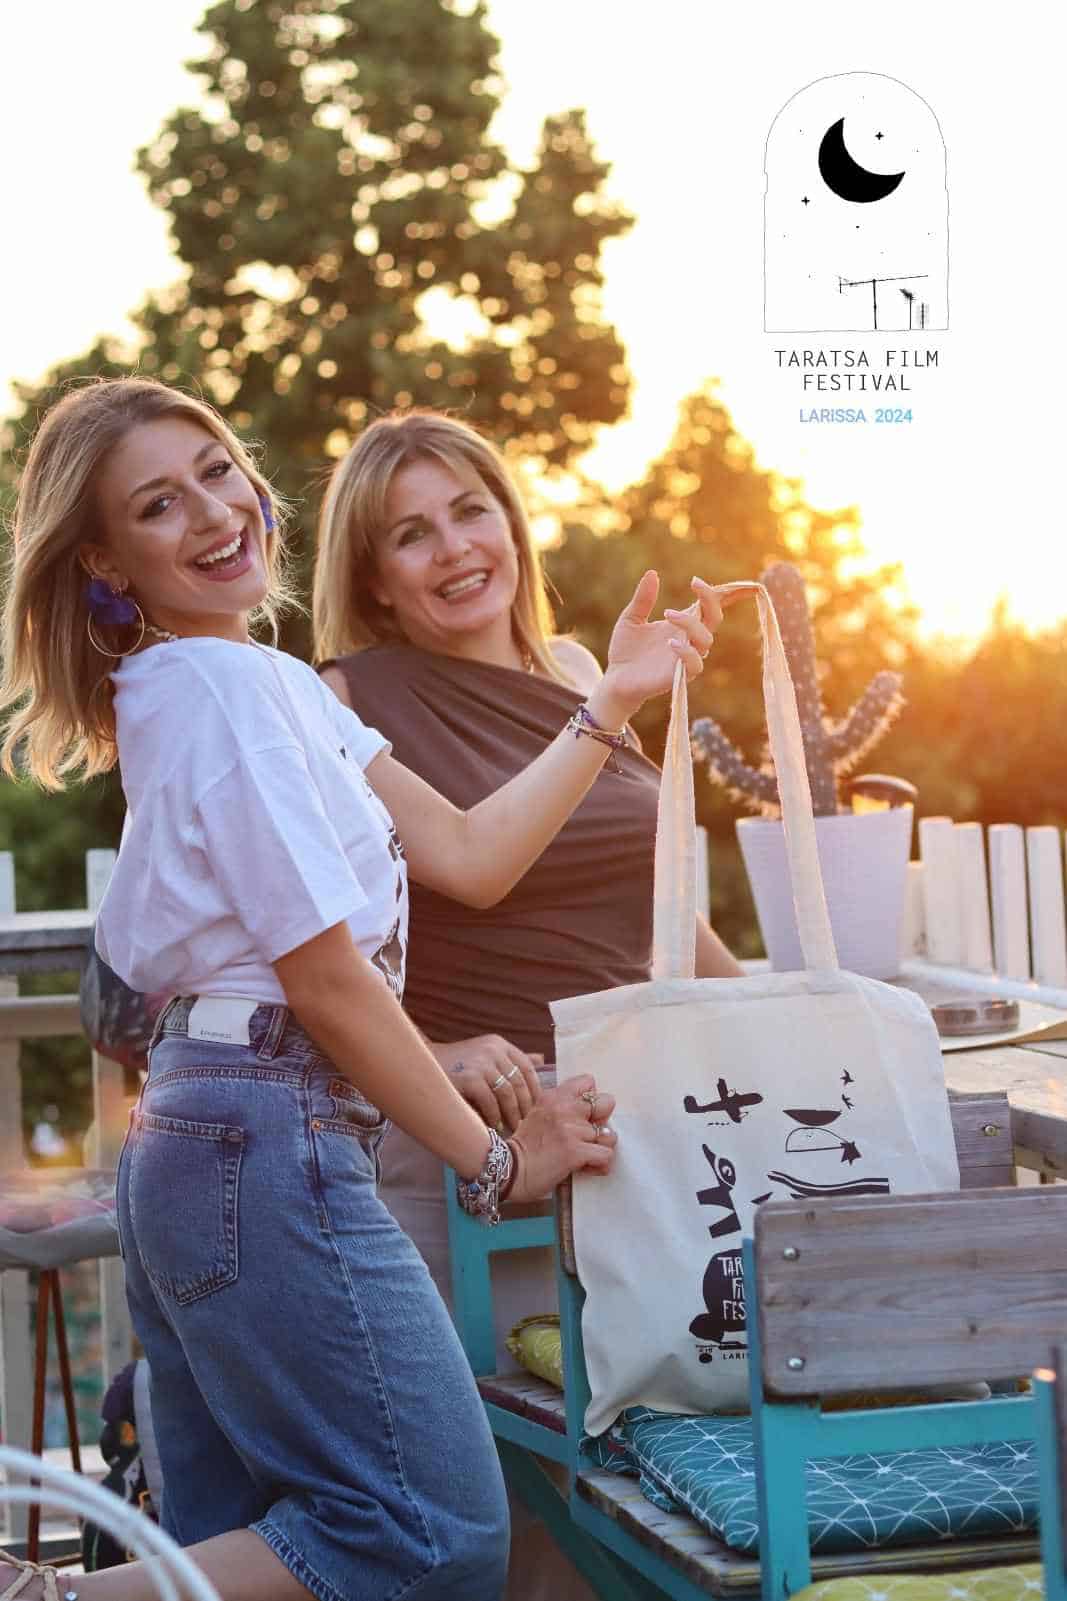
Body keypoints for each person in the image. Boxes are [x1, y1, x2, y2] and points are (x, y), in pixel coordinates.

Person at [0, 377, 723, 1601]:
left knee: (241, 1531)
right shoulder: (225, 692)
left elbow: (473, 853)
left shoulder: (257, 679)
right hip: (261, 1129)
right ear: (104, 561)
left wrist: (607, 695)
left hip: (225, 1132)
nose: (212, 512)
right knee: (425, 1530)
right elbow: (327, 981)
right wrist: (497, 1161)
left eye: (217, 471)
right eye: (159, 505)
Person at [313, 409, 744, 1600]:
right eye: (411, 533)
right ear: (374, 577)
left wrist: (785, 1016)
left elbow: (657, 915)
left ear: (511, 522)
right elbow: (403, 902)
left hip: (641, 1144)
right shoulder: (343, 699)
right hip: (481, 1154)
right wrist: (435, 1047)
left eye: (471, 510)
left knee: (653, 1496)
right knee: (521, 1512)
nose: (454, 547)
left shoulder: (573, 673)